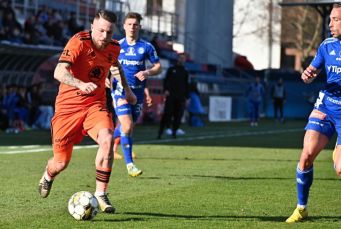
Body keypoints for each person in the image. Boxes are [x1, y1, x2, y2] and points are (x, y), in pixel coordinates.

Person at [37, 10, 136, 214]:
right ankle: (48, 175)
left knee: (108, 139)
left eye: (109, 32)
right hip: (68, 109)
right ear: (92, 27)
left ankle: (101, 193)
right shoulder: (79, 42)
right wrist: (80, 84)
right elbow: (59, 72)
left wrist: (126, 89)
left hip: (95, 105)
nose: (104, 37)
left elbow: (115, 65)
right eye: (100, 31)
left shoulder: (114, 47)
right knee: (60, 162)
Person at [286, 3, 341, 223]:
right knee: (307, 154)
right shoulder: (326, 46)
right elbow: (312, 70)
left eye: (336, 19)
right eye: (330, 19)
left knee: (339, 170)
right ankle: (301, 208)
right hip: (326, 105)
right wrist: (307, 75)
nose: (330, 24)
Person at [111, 12, 162, 177]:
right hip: (120, 91)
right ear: (124, 26)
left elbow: (158, 67)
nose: (132, 27)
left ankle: (107, 137)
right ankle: (130, 165)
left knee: (128, 127)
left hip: (138, 93)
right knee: (127, 126)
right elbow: (107, 64)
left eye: (135, 24)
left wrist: (147, 73)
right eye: (129, 24)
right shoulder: (116, 45)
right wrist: (105, 79)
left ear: (139, 27)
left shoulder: (146, 47)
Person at [157, 53, 189, 139]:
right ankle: (161, 132)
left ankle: (174, 132)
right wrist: (166, 90)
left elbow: (186, 84)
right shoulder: (171, 69)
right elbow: (166, 80)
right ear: (178, 59)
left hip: (181, 96)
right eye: (181, 58)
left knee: (178, 115)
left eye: (184, 58)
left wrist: (187, 97)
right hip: (171, 95)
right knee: (167, 114)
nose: (182, 60)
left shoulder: (185, 71)